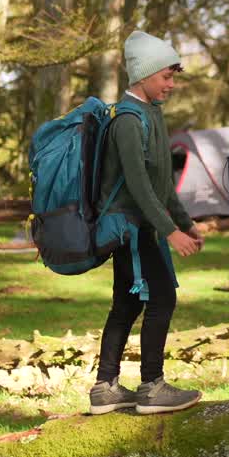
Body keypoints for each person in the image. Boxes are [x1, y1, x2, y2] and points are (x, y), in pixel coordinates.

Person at [89, 31, 205, 415]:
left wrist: (185, 223)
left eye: (173, 77)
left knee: (126, 304)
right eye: (166, 77)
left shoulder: (152, 114)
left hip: (146, 227)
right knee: (161, 298)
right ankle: (152, 387)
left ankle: (105, 388)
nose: (171, 84)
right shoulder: (126, 120)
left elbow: (162, 182)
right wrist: (169, 232)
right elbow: (138, 187)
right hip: (133, 230)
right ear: (143, 74)